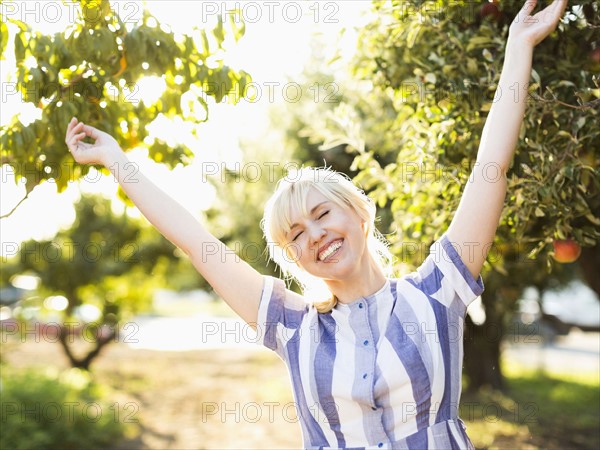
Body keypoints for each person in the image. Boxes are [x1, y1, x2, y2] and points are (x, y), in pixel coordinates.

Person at [65, 0, 567, 448]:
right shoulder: (292, 327)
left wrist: (518, 48)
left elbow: (490, 168)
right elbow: (197, 243)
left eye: (323, 214)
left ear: (360, 214)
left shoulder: (437, 292)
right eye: (295, 236)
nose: (315, 235)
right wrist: (117, 161)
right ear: (294, 259)